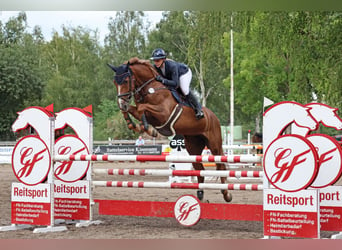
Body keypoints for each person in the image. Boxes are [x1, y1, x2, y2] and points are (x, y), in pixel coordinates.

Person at [150, 48, 204, 119]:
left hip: (184, 73)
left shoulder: (172, 66)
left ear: (163, 59)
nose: (156, 62)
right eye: (154, 60)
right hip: (173, 76)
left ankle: (199, 109)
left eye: (158, 60)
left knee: (184, 90)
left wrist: (163, 80)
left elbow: (175, 84)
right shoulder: (156, 67)